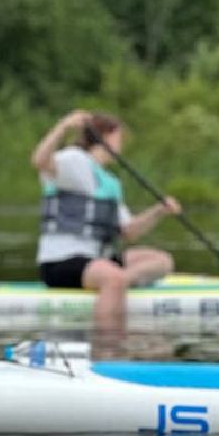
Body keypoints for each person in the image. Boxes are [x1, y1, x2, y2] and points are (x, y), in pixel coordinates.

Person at [31, 109, 182, 331]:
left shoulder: (110, 183)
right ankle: (107, 345)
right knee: (115, 278)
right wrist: (63, 126)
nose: (121, 144)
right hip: (62, 261)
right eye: (119, 137)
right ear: (107, 136)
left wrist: (158, 211)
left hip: (96, 260)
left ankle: (116, 284)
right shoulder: (74, 160)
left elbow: (128, 232)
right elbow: (40, 161)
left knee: (161, 262)